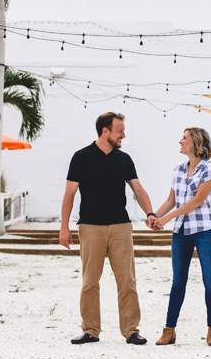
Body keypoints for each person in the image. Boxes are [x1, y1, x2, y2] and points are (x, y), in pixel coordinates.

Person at [60, 112, 159, 345]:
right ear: (106, 131)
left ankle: (131, 330)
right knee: (90, 281)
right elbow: (70, 193)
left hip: (120, 227)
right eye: (120, 131)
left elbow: (138, 189)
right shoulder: (81, 157)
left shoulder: (124, 159)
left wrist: (150, 213)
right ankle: (91, 330)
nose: (124, 135)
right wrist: (64, 227)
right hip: (90, 227)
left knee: (127, 280)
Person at [150, 126, 211, 347]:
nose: (180, 141)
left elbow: (196, 202)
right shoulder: (178, 169)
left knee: (210, 283)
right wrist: (154, 216)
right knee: (178, 282)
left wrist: (167, 218)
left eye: (184, 138)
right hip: (181, 231)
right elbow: (172, 200)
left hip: (205, 230)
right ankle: (169, 330)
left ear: (196, 142)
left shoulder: (210, 169)